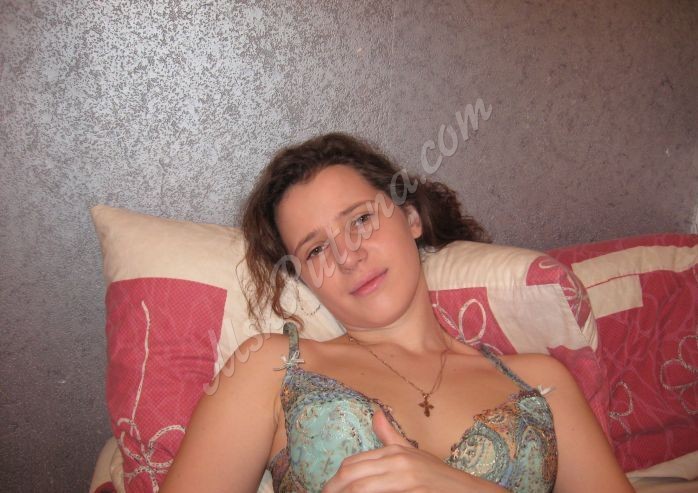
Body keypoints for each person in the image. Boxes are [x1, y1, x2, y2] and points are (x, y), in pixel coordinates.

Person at [160, 133, 633, 492]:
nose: (347, 256)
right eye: (317, 249)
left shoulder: (541, 383)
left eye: (361, 220)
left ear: (410, 218)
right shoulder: (271, 367)